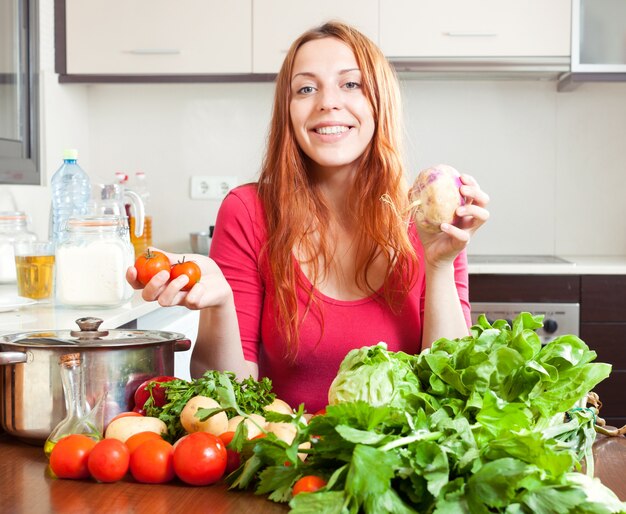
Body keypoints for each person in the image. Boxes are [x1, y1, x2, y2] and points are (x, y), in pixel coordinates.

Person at [127, 22, 490, 413]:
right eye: (306, 88)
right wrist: (220, 307)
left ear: (380, 102)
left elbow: (450, 399)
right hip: (286, 462)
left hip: (397, 466)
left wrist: (439, 264)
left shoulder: (429, 220)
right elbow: (228, 407)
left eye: (351, 84)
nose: (327, 102)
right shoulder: (249, 212)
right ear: (288, 110)